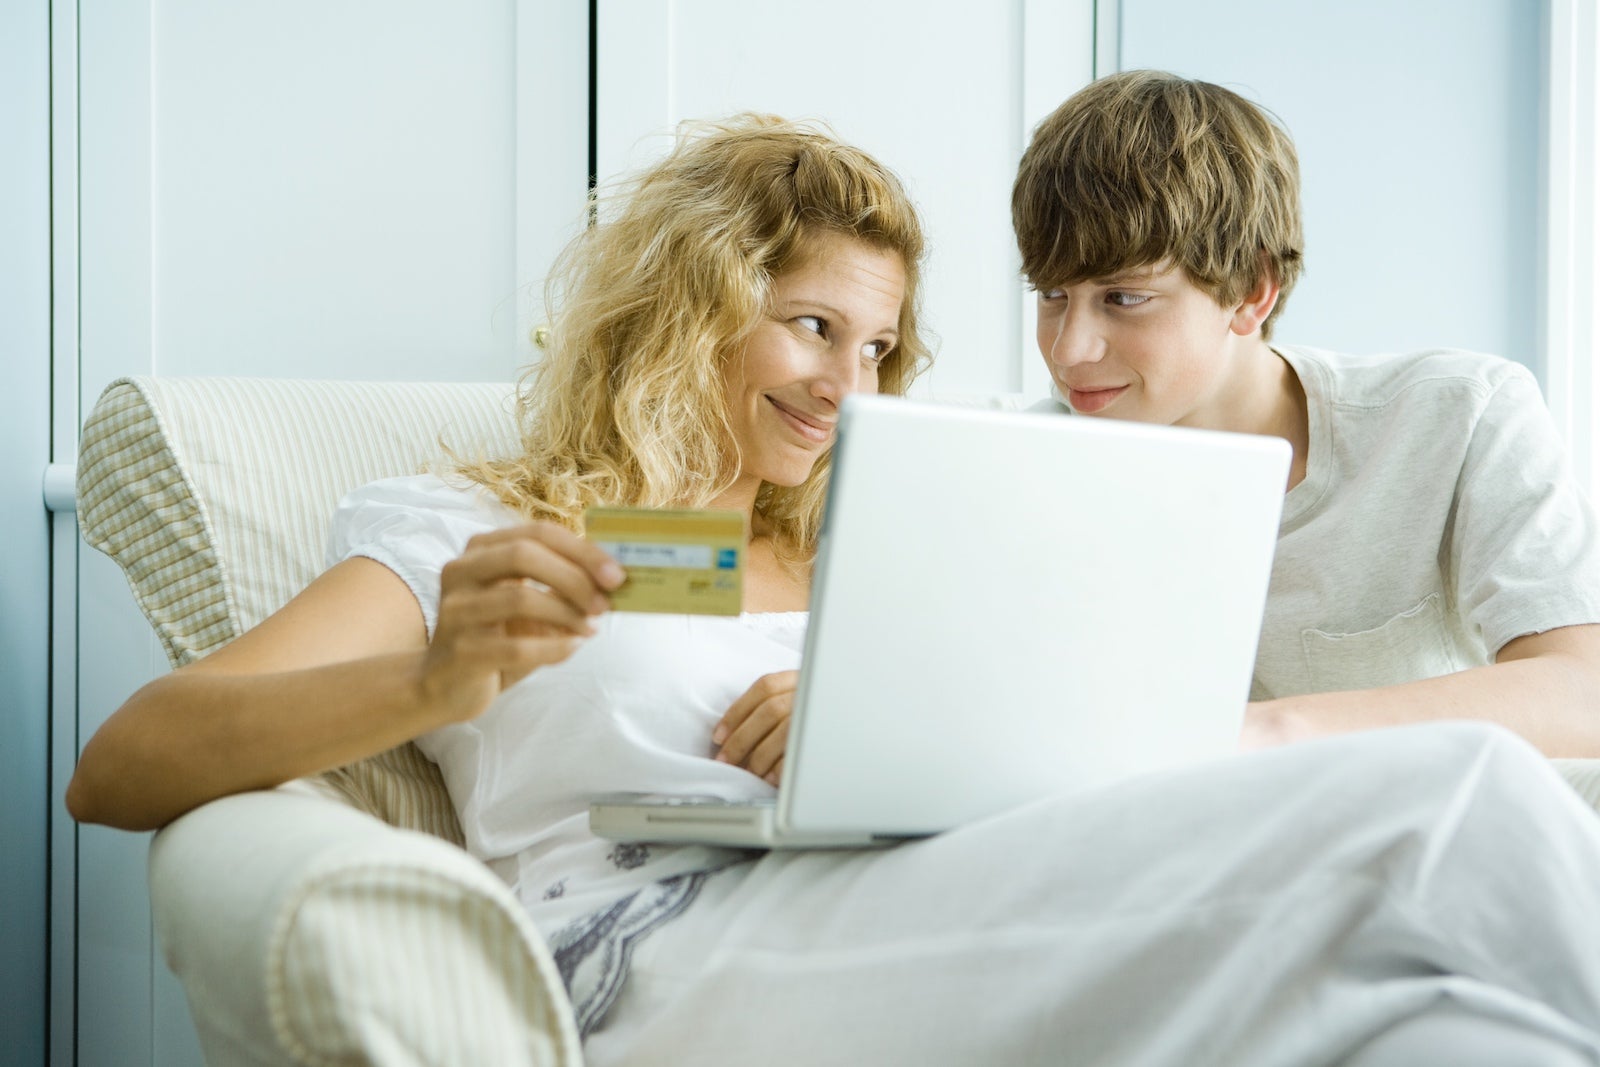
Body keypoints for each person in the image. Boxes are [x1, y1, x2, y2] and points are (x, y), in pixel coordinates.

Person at [67, 114, 1600, 1066]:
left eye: (873, 347)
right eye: (809, 326)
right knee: (1446, 792)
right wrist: (433, 681)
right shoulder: (496, 529)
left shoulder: (861, 538)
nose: (843, 380)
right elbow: (121, 764)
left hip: (960, 888)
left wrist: (894, 722)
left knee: (1439, 1029)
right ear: (691, 309)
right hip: (668, 944)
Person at [1011, 69, 1600, 756]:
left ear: (1252, 291)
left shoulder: (1456, 415)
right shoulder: (1031, 463)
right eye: (1052, 293)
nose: (1069, 349)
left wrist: (1274, 729)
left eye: (1124, 297)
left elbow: (1582, 690)